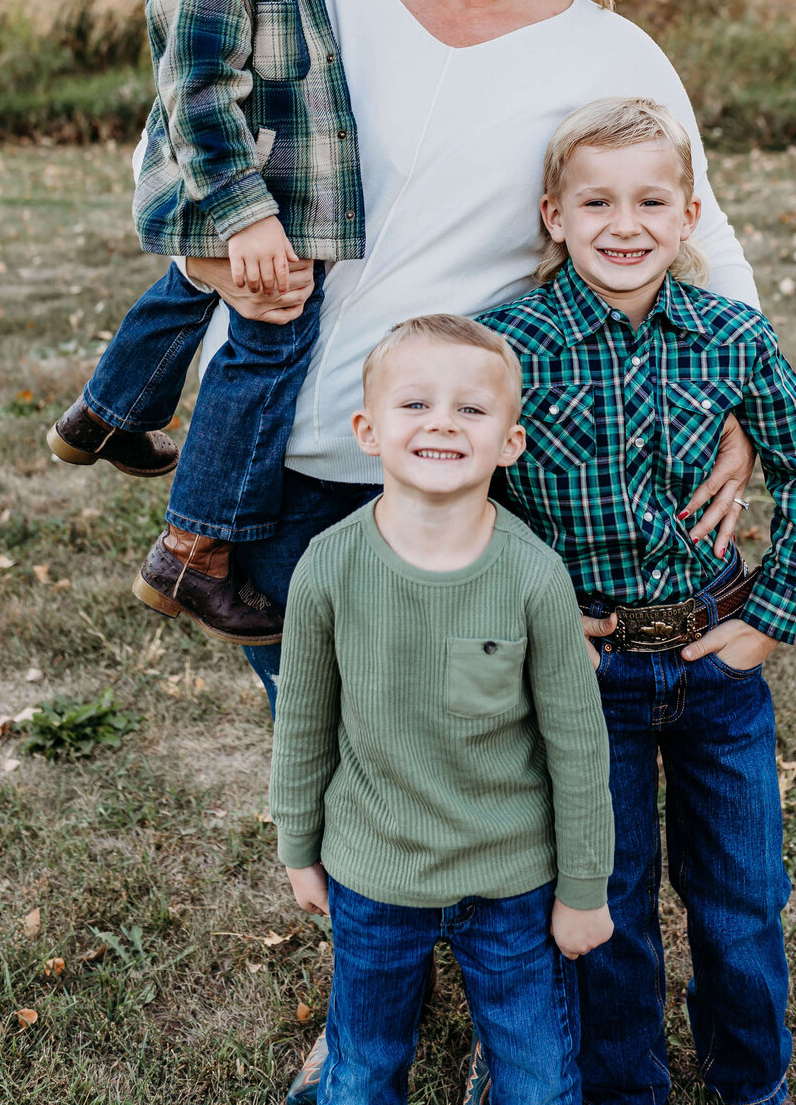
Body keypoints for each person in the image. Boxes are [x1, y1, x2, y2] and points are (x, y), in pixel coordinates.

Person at [161, 0, 762, 1102]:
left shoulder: (611, 52)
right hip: (287, 450)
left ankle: (518, 1012)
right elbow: (194, 136)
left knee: (495, 757)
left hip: (478, 467)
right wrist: (204, 251)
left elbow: (707, 245)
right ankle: (369, 994)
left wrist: (736, 400)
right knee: (351, 746)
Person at [477, 97, 796, 1105]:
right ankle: (625, 1087)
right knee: (609, 902)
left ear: (688, 217)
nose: (624, 224)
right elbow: (467, 505)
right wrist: (532, 614)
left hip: (713, 666)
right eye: (596, 201)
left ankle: (750, 1083)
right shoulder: (506, 346)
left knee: (743, 901)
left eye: (651, 201)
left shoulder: (728, 337)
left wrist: (768, 619)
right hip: (582, 677)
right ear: (554, 215)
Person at [46, 0, 364, 646]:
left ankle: (105, 415)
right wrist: (249, 216)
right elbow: (196, 104)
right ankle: (195, 552)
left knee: (190, 294)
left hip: (240, 193)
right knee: (272, 335)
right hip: (233, 193)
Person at [269, 314, 615, 1104]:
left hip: (512, 878)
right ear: (367, 429)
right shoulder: (329, 566)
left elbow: (576, 743)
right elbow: (304, 723)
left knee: (539, 1077)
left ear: (510, 442)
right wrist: (299, 842)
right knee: (363, 1068)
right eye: (415, 404)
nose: (441, 424)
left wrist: (584, 885)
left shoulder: (532, 576)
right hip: (374, 868)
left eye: (471, 409)